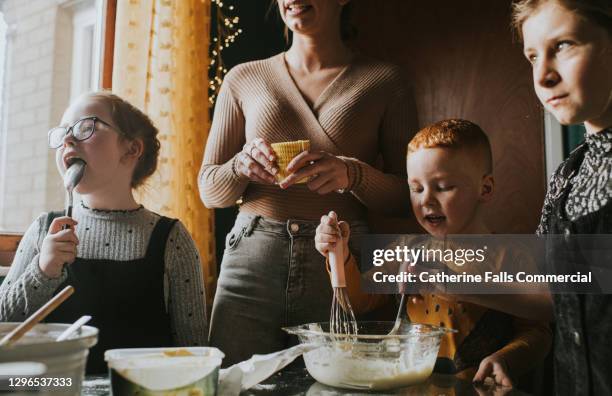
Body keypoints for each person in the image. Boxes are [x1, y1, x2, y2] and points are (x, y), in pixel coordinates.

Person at [198, 0, 417, 365]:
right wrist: (240, 166)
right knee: (233, 383)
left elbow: (408, 196)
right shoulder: (242, 78)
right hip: (253, 260)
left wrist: (353, 174)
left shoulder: (386, 81)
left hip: (341, 258)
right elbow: (209, 189)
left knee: (338, 386)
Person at [316, 119, 551, 387]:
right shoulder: (406, 250)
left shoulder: (512, 256)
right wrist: (339, 254)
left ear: (485, 189)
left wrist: (506, 358)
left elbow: (537, 333)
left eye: (442, 187)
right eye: (416, 189)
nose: (425, 200)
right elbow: (357, 302)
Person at [0, 92, 207, 374]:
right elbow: (4, 324)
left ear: (132, 149)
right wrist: (43, 270)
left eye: (87, 127)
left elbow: (193, 353)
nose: (68, 140)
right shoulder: (42, 230)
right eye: (63, 133)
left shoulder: (172, 239)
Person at [512, 0, 612, 394]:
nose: (543, 76)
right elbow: (556, 293)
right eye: (533, 56)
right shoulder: (568, 175)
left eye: (564, 45)